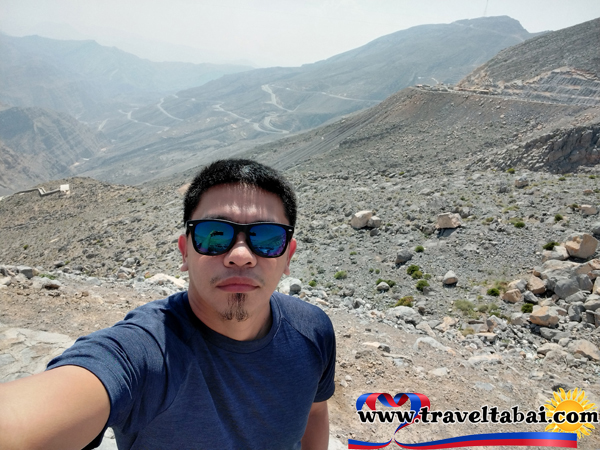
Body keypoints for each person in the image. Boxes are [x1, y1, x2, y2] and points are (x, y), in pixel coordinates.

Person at [0, 159, 336, 450]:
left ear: (288, 256)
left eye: (266, 238)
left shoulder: (313, 331)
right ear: (184, 252)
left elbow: (316, 411)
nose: (240, 256)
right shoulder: (145, 352)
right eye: (213, 234)